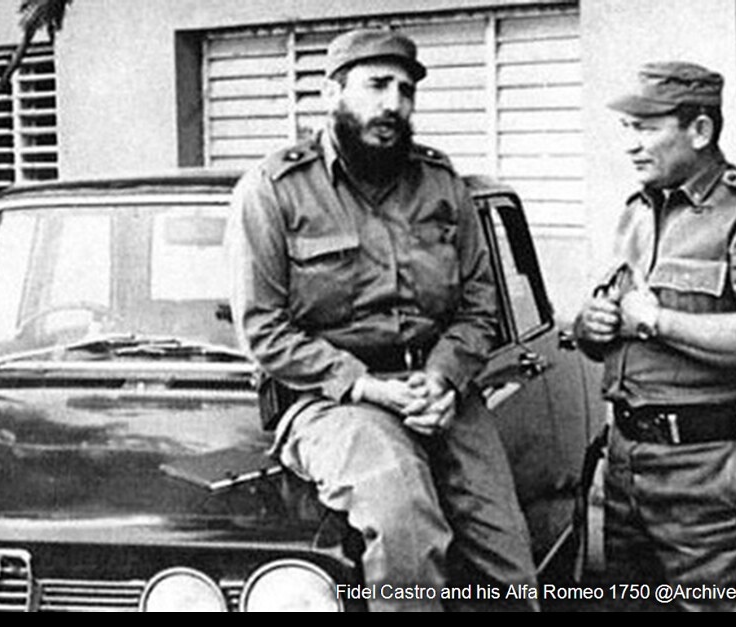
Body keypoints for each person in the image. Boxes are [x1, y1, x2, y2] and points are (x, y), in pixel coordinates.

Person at [227, 29, 538, 612]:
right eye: (376, 86)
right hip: (331, 399)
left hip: (438, 393)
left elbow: (480, 306)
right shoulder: (274, 191)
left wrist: (445, 378)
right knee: (403, 517)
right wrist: (366, 385)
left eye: (405, 90)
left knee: (507, 555)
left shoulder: (442, 185)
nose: (393, 103)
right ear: (332, 93)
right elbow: (263, 328)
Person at [574, 62, 736, 611]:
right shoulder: (637, 213)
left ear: (699, 131)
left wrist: (653, 321)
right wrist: (592, 326)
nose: (631, 145)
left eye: (646, 128)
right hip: (629, 460)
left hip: (708, 468)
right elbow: (615, 322)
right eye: (627, 129)